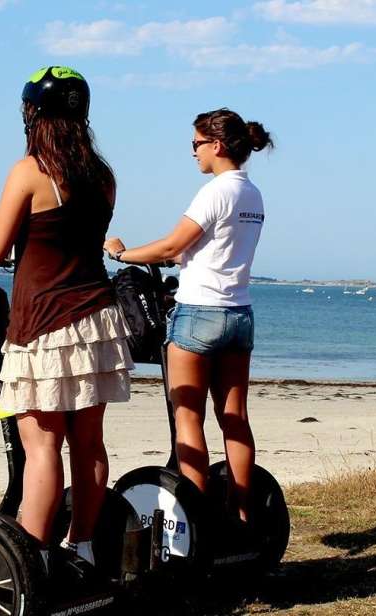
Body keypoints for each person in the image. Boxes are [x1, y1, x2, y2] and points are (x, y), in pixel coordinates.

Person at [0, 66, 132, 567]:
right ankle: (82, 548)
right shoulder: (102, 176)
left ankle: (32, 561)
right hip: (100, 319)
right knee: (89, 445)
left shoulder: (31, 171)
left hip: (44, 324)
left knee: (41, 448)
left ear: (34, 114)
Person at [104, 107, 273, 526]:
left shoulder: (216, 191)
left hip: (199, 312)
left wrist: (121, 254)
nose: (193, 153)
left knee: (188, 417)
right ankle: (243, 515)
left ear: (216, 145)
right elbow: (202, 249)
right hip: (239, 313)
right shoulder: (252, 194)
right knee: (235, 419)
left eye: (196, 145)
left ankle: (197, 525)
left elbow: (169, 247)